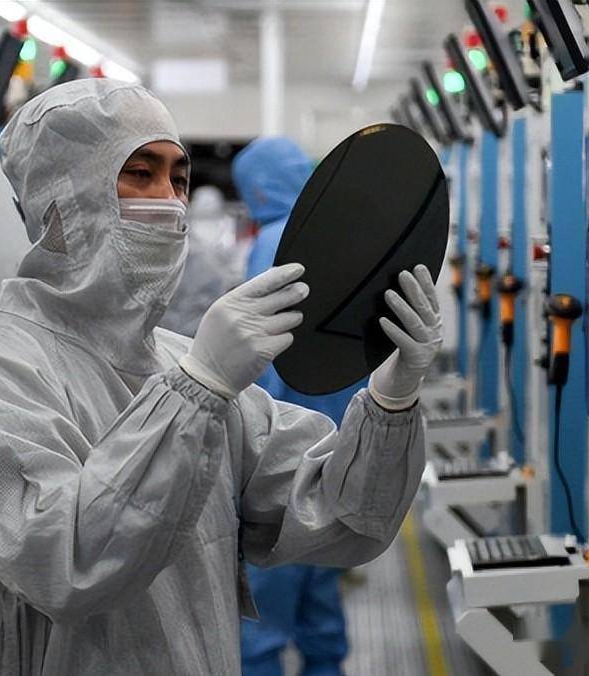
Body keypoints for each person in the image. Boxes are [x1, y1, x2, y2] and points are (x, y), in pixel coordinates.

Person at [0, 78, 443, 675]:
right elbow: (67, 564)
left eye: (179, 178)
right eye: (140, 174)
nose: (168, 201)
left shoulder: (177, 361)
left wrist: (392, 398)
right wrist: (198, 390)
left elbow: (341, 515)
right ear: (57, 200)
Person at [231, 137, 364, 676]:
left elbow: (262, 359)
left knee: (266, 604)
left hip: (283, 449)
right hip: (339, 437)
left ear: (257, 189)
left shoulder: (271, 246)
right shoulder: (335, 236)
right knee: (319, 586)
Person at [158, 185, 244, 337]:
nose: (207, 206)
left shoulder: (225, 231)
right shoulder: (184, 231)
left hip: (208, 309)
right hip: (182, 312)